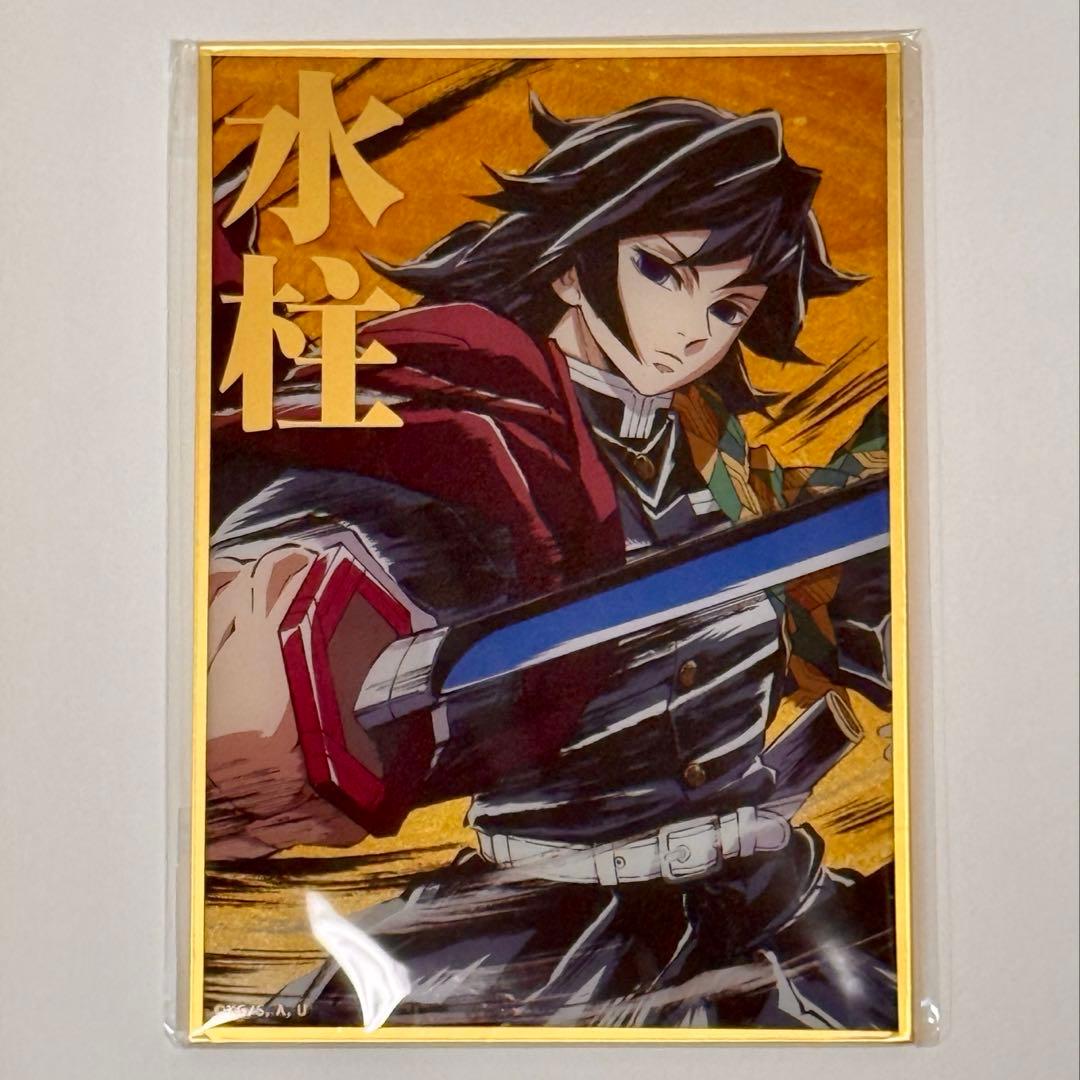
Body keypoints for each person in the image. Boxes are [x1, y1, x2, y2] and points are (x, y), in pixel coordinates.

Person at [206, 95, 896, 1029]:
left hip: (761, 899)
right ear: (573, 267)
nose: (694, 329)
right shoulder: (476, 442)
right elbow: (302, 555)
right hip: (557, 929)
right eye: (664, 273)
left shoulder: (714, 477)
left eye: (729, 305)